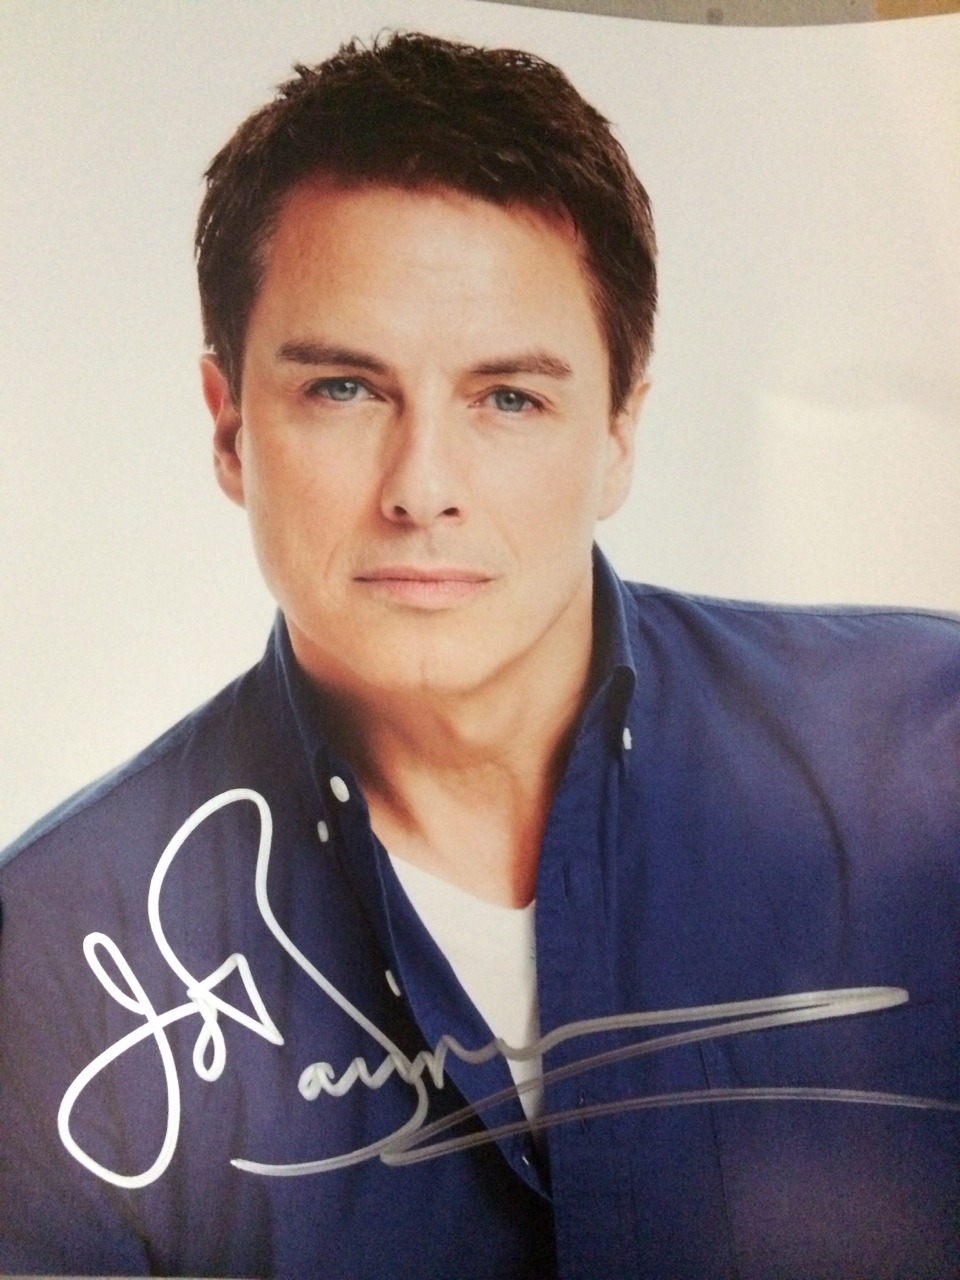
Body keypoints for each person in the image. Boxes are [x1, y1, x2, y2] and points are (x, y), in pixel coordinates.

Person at [0, 30, 957, 1280]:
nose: (422, 488)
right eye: (345, 389)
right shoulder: (53, 957)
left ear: (619, 434)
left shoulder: (926, 762)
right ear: (230, 428)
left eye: (509, 398)